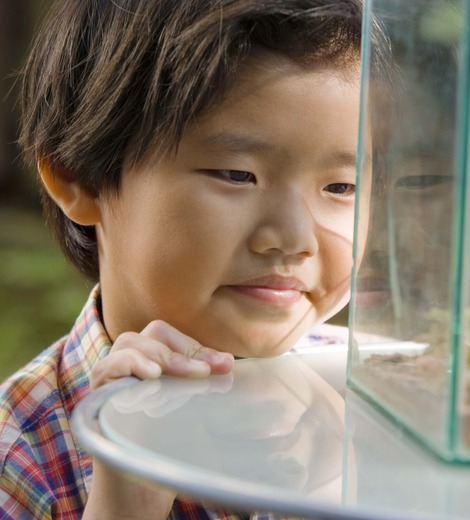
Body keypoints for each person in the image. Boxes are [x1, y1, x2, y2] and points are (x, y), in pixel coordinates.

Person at [0, 0, 368, 518]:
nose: (294, 238)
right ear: (77, 177)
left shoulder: (384, 398)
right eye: (237, 175)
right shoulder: (20, 454)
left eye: (341, 186)